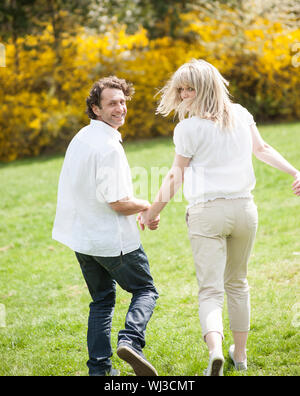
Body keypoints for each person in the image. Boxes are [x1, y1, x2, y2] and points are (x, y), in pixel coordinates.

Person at [141, 59, 300, 376]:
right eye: (181, 89)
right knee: (238, 284)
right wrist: (294, 171)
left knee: (211, 290)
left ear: (205, 88)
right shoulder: (240, 114)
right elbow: (263, 149)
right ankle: (237, 358)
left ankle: (217, 352)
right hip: (244, 211)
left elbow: (176, 176)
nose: (185, 94)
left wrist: (151, 213)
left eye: (190, 88)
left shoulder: (188, 128)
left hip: (207, 213)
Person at [52, 76, 160, 376]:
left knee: (101, 301)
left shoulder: (81, 138)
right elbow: (118, 202)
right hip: (112, 241)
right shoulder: (108, 147)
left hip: (83, 241)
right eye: (112, 103)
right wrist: (146, 206)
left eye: (123, 102)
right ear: (95, 109)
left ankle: (99, 371)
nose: (120, 108)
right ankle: (131, 341)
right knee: (146, 290)